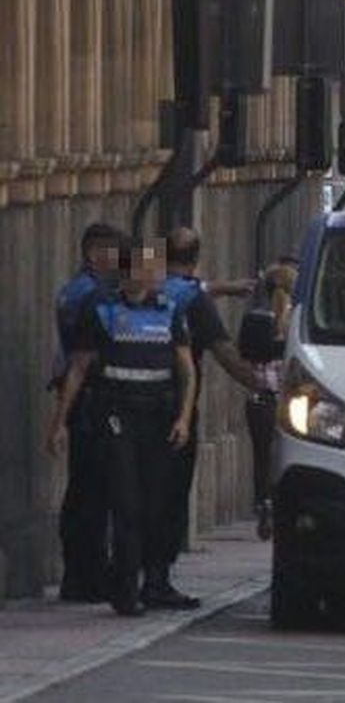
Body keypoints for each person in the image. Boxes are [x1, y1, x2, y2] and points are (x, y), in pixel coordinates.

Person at [47, 239, 197, 616]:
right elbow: (78, 367)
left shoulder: (169, 310)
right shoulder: (101, 309)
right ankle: (126, 590)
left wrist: (183, 417)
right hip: (117, 417)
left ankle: (147, 580)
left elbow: (186, 369)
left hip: (159, 419)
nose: (151, 275)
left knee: (154, 505)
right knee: (126, 504)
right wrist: (60, 422)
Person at [157, 228, 263, 608]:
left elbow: (188, 286)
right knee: (168, 495)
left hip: (127, 407)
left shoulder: (141, 288)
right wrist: (263, 383)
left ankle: (108, 574)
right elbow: (225, 354)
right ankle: (157, 579)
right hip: (176, 411)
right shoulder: (194, 302)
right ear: (197, 258)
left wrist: (226, 287)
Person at [50, 223, 125, 603]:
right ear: (95, 253)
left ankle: (82, 573)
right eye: (114, 253)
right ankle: (88, 575)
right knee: (95, 493)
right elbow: (83, 359)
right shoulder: (94, 297)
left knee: (84, 491)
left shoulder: (73, 290)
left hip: (79, 398)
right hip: (90, 399)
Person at [243, 257, 297, 539]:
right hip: (288, 401)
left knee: (262, 457)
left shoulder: (254, 319)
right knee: (287, 457)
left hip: (259, 398)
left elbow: (244, 353)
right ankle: (283, 506)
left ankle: (264, 503)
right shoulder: (296, 322)